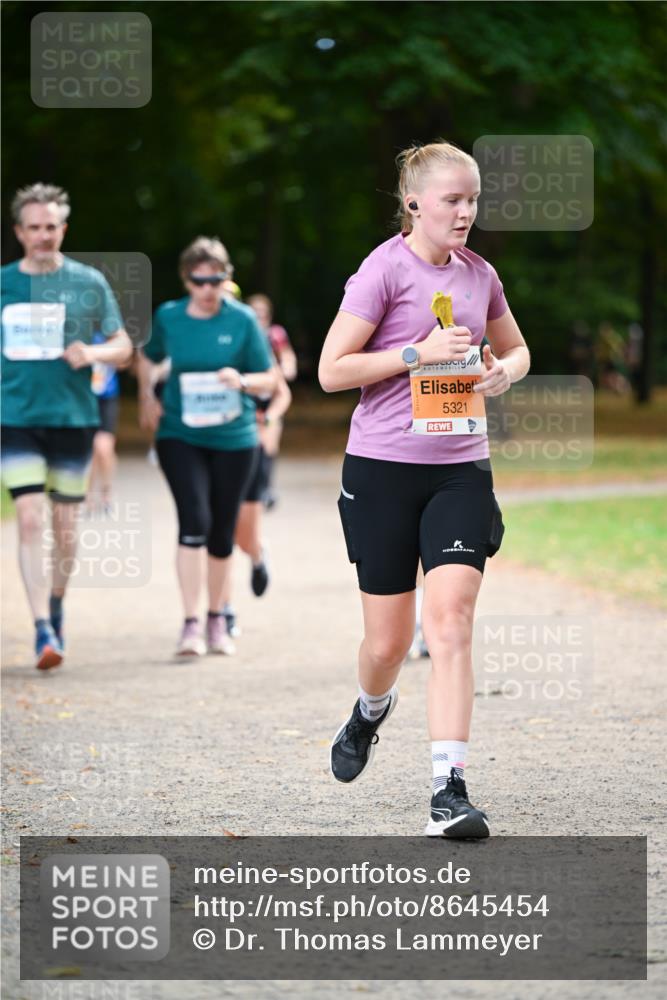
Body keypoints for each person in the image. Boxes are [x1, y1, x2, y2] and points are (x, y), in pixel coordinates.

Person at [319, 142, 530, 838]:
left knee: (449, 623)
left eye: (472, 198)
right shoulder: (381, 271)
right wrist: (414, 354)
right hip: (380, 469)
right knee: (386, 643)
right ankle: (369, 711)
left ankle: (449, 789)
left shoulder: (480, 275)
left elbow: (517, 347)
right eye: (452, 199)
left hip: (458, 469)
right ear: (414, 203)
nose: (466, 211)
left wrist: (506, 373)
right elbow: (330, 370)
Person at [1, 183, 133, 670]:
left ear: (63, 229)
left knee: (66, 528)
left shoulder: (88, 282)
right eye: (33, 227)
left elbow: (123, 347)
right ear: (18, 231)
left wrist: (93, 352)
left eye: (50, 227)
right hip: (15, 418)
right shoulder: (4, 285)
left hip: (74, 419)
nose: (42, 235)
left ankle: (56, 604)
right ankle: (40, 629)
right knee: (31, 518)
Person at [136, 237, 275, 658]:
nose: (209, 289)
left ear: (226, 278)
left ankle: (217, 618)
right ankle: (190, 623)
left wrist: (244, 381)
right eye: (200, 282)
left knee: (221, 529)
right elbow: (148, 355)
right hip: (181, 434)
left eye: (216, 280)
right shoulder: (170, 317)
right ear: (186, 280)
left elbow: (269, 378)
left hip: (234, 439)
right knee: (193, 519)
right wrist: (147, 395)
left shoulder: (244, 319)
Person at [220, 358, 292, 637]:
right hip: (214, 449)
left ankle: (258, 554)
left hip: (250, 449)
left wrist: (270, 419)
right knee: (219, 533)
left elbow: (282, 393)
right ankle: (224, 610)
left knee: (243, 537)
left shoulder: (253, 346)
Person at [247, 294, 297, 509]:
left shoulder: (275, 334)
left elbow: (287, 356)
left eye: (262, 313)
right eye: (254, 312)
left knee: (269, 443)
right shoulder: (244, 334)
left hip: (271, 396)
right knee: (251, 443)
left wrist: (287, 368)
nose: (259, 317)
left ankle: (266, 488)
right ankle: (250, 487)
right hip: (248, 395)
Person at [87, 332, 120, 515]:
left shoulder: (110, 329)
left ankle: (106, 493)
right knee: (89, 449)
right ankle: (87, 496)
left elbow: (126, 361)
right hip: (84, 397)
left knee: (103, 447)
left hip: (107, 397)